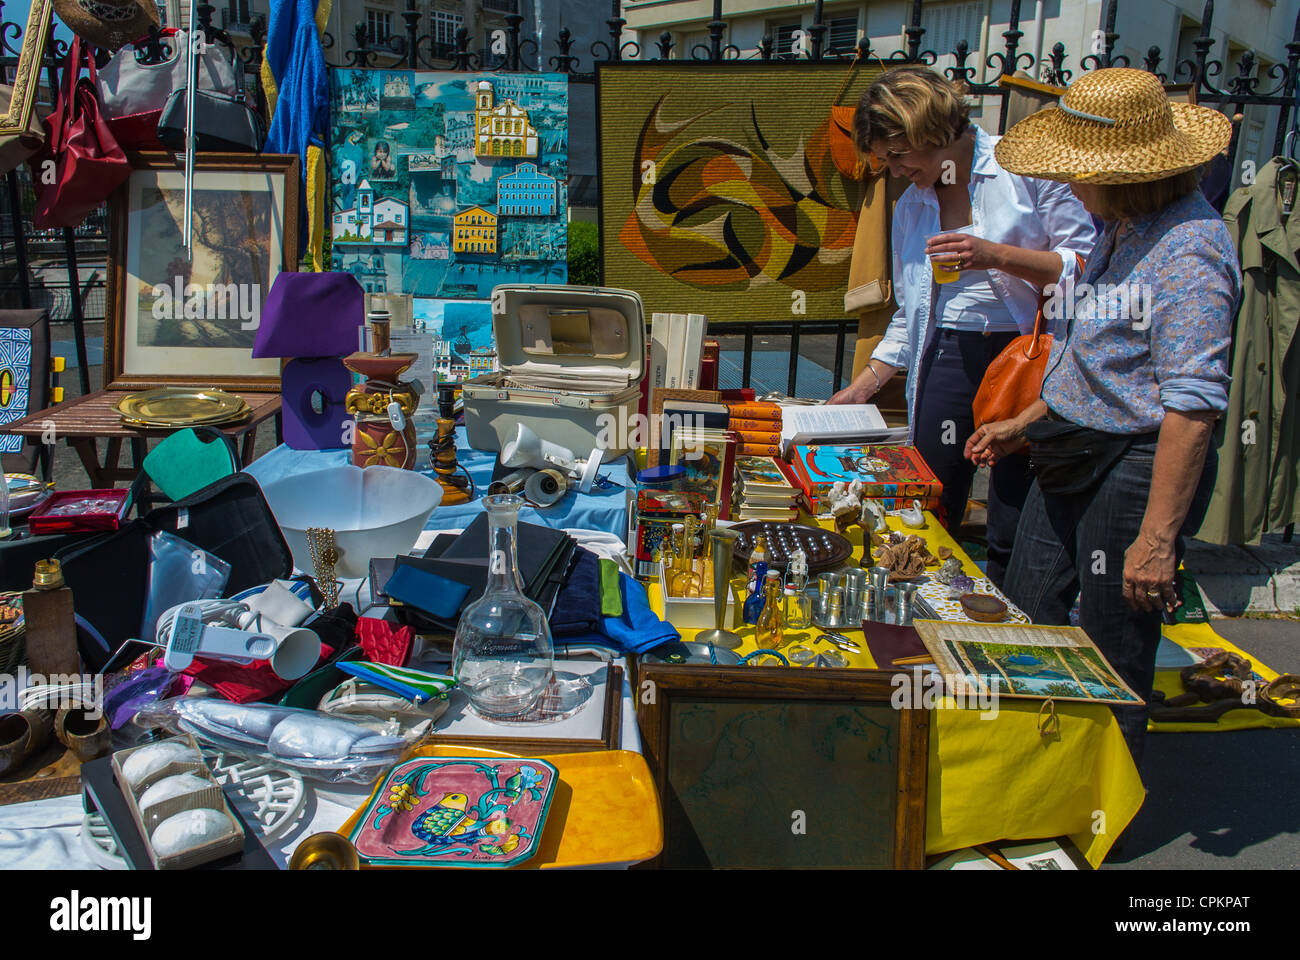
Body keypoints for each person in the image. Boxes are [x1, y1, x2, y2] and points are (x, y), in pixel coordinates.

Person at [966, 68, 1239, 765]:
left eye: (1075, 173)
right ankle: (1040, 770)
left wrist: (1157, 541)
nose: (1067, 186)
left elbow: (1191, 407)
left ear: (1121, 175)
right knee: (1028, 605)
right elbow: (1098, 360)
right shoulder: (1123, 227)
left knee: (1115, 645)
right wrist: (1025, 421)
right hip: (1076, 445)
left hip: (1138, 463)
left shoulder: (1190, 249)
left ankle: (1105, 810)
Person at [829, 66, 1095, 587]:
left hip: (1026, 357)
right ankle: (924, 611)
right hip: (946, 354)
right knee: (928, 504)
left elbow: (1085, 266)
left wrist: (995, 256)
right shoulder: (912, 204)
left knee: (1014, 514)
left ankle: (1004, 622)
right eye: (884, 161)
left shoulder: (1029, 172)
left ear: (932, 130)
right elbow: (910, 311)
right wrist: (863, 387)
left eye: (899, 155)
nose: (895, 170)